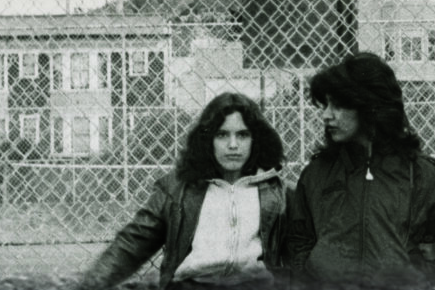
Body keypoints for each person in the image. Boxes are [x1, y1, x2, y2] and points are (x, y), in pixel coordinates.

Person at [287, 52, 435, 287]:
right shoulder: (316, 174)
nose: (326, 115)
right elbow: (299, 241)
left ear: (369, 106)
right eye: (326, 104)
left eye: (338, 105)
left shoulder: (420, 174)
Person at [79, 92, 290, 290]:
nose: (233, 145)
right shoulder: (176, 189)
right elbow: (133, 243)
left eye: (243, 135)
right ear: (208, 140)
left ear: (256, 140)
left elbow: (302, 257)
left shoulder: (279, 192)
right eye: (222, 135)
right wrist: (89, 286)